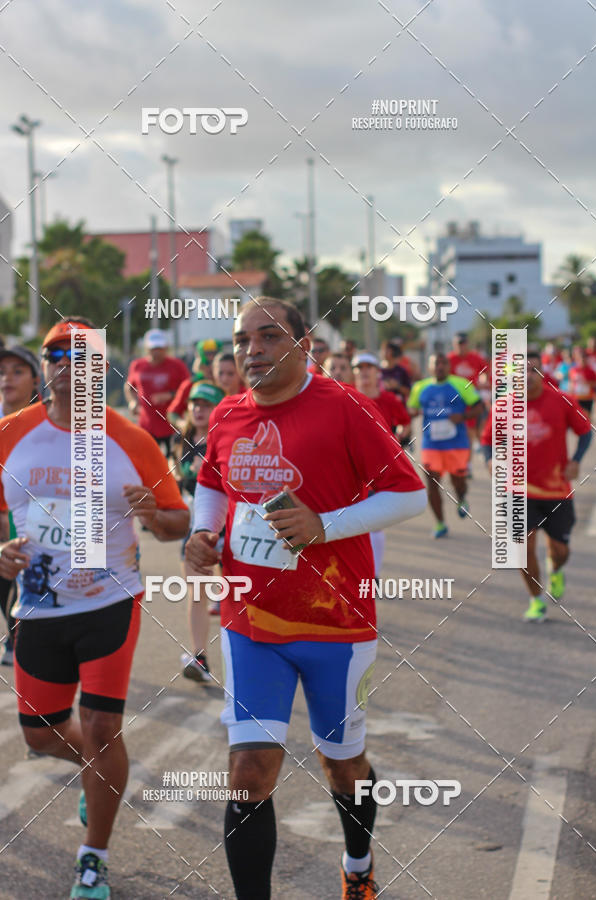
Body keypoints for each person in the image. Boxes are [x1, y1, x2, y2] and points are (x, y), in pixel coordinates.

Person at [185, 298, 426, 900]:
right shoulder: (226, 415)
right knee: (247, 774)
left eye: (269, 337)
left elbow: (410, 494)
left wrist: (326, 525)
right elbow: (212, 484)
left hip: (338, 626)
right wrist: (200, 532)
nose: (253, 350)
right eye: (242, 340)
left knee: (342, 764)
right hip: (251, 622)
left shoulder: (346, 408)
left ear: (304, 344)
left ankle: (358, 862)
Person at [0, 318, 189, 899]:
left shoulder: (128, 437)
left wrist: (153, 515)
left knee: (105, 727)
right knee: (38, 734)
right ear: (46, 365)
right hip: (38, 606)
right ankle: (97, 770)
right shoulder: (10, 433)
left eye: (80, 356)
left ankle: (94, 856)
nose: (67, 365)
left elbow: (177, 520)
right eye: (56, 354)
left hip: (111, 599)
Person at [481, 350, 592, 622]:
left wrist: (576, 460)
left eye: (533, 370)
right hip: (517, 490)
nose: (528, 376)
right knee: (522, 549)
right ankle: (536, 600)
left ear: (542, 373)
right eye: (522, 371)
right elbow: (487, 440)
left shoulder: (563, 401)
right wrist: (490, 460)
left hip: (556, 490)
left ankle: (556, 569)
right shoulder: (502, 407)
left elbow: (585, 432)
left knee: (560, 551)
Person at [172, 381, 226, 683]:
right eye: (194, 403)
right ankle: (199, 655)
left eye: (206, 404)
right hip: (193, 527)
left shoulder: (227, 439)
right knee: (197, 591)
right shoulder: (183, 438)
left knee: (235, 594)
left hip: (228, 526)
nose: (198, 409)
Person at [408, 353, 483, 538]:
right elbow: (411, 407)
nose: (440, 366)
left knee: (458, 480)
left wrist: (463, 417)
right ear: (430, 367)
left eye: (443, 363)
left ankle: (461, 498)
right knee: (432, 483)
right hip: (431, 444)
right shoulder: (420, 387)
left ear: (449, 366)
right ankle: (440, 523)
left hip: (456, 443)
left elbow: (479, 406)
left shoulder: (461, 384)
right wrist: (414, 411)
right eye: (436, 363)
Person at [352, 351, 412, 576]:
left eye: (368, 367)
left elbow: (405, 423)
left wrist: (395, 442)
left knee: (373, 523)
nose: (364, 372)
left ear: (378, 372)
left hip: (377, 469)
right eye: (359, 368)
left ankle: (373, 575)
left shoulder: (388, 400)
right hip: (350, 468)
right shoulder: (346, 397)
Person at [0, 345, 41, 666]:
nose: (6, 378)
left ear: (36, 379)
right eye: (2, 372)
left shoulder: (47, 423)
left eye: (17, 371)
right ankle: (16, 636)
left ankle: (22, 639)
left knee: (20, 578)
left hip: (31, 517)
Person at [125, 329, 189, 454]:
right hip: (147, 425)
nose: (157, 352)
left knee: (173, 462)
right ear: (147, 349)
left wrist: (170, 395)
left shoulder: (177, 365)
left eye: (160, 348)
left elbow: (189, 389)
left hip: (172, 425)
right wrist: (132, 402)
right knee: (147, 460)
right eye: (153, 348)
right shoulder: (138, 365)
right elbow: (129, 387)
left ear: (166, 348)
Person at [447, 333, 489, 465]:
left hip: (471, 400)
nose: (461, 346)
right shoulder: (449, 359)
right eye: (458, 344)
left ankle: (468, 464)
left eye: (463, 343)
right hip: (453, 400)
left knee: (470, 432)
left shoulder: (475, 358)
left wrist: (483, 382)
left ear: (467, 344)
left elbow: (486, 371)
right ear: (454, 345)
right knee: (451, 432)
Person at [567, 345, 596, 414]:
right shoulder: (573, 370)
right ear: (577, 359)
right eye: (580, 359)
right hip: (577, 397)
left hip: (588, 397)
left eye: (584, 359)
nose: (582, 361)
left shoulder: (591, 370)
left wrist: (586, 382)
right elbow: (571, 383)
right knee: (580, 415)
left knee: (587, 416)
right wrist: (570, 393)